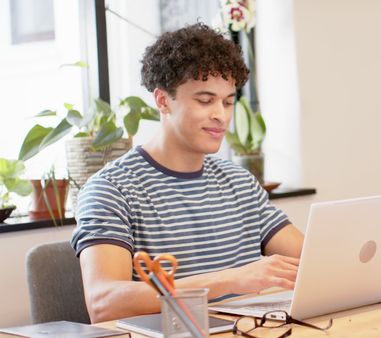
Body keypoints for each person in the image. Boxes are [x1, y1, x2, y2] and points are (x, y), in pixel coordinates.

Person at [70, 23, 304, 323]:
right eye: (205, 100)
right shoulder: (111, 190)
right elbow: (104, 302)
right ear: (163, 100)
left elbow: (310, 261)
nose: (221, 115)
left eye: (228, 101)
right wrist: (231, 280)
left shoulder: (239, 182)